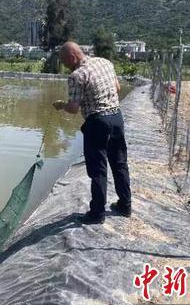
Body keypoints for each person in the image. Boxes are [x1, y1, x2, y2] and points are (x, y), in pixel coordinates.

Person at [53, 42, 132, 224]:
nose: (65, 66)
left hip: (97, 123)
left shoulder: (76, 75)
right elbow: (117, 88)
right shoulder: (105, 63)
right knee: (119, 163)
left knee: (98, 170)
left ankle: (97, 214)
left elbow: (73, 109)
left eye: (65, 62)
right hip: (116, 118)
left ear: (72, 58)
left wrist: (62, 105)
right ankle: (125, 205)